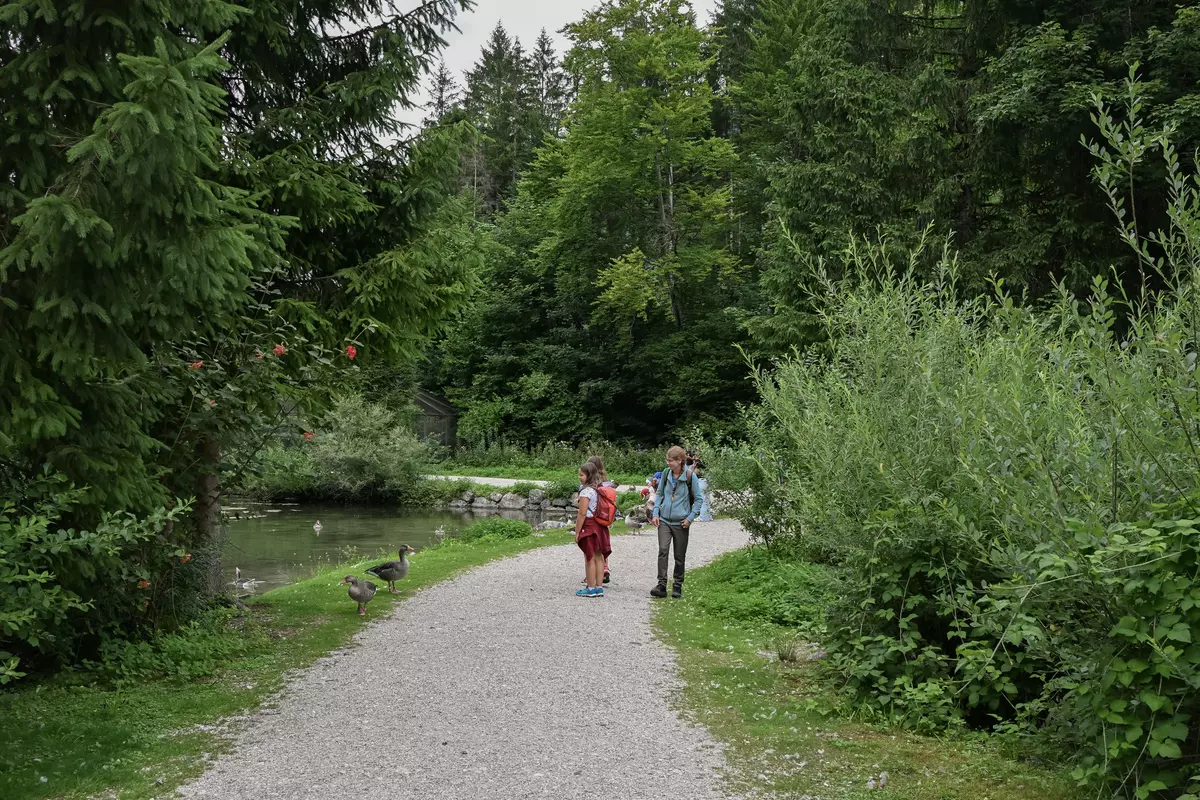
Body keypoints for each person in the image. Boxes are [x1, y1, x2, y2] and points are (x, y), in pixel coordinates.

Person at [651, 446, 703, 598]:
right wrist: (655, 513)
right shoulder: (666, 473)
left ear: (679, 461)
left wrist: (690, 518)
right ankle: (661, 585)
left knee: (679, 556)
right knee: (663, 550)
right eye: (667, 460)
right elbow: (659, 493)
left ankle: (677, 585)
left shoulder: (689, 477)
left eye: (671, 461)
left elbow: (699, 499)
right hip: (664, 520)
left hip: (681, 522)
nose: (668, 464)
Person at [574, 461, 612, 598]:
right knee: (599, 557)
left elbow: (582, 513)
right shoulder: (597, 490)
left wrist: (577, 531)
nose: (579, 477)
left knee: (589, 557)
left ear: (588, 476)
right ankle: (599, 587)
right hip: (600, 527)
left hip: (589, 526)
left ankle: (590, 588)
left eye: (582, 475)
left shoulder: (586, 492)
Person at [586, 455, 616, 584]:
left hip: (592, 519)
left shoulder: (589, 485)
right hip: (605, 518)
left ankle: (591, 576)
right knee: (602, 545)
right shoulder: (606, 483)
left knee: (590, 549)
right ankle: (604, 568)